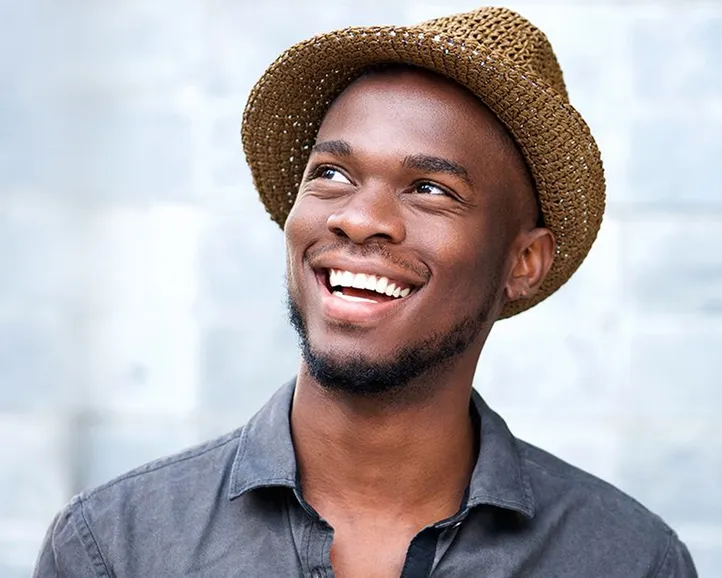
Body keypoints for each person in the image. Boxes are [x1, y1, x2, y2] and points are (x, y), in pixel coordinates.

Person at [34, 6, 697, 577]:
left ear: (523, 261)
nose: (356, 217)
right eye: (330, 173)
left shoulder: (626, 558)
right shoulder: (115, 547)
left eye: (430, 188)